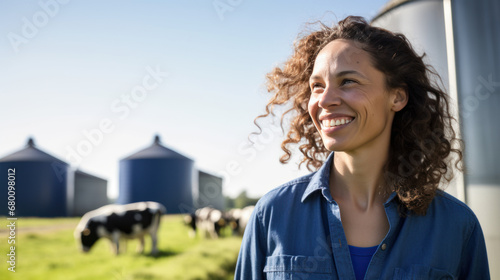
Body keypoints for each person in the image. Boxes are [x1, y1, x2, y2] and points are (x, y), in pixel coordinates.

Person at [234, 16, 490, 279]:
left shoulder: (457, 227)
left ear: (397, 96)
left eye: (348, 82)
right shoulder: (272, 214)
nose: (325, 100)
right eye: (317, 86)